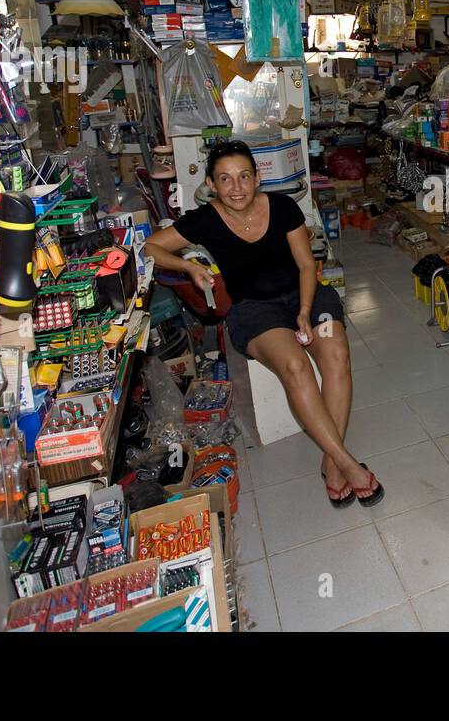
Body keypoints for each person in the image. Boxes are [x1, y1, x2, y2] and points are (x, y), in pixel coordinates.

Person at [144, 141, 383, 508]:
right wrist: (190, 266)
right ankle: (345, 463)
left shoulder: (284, 208)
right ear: (212, 183)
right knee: (295, 366)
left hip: (304, 295)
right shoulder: (205, 219)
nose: (236, 188)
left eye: (243, 177)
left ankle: (331, 462)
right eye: (225, 179)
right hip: (255, 310)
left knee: (336, 355)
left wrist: (304, 311)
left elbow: (306, 266)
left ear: (257, 177)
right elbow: (150, 248)